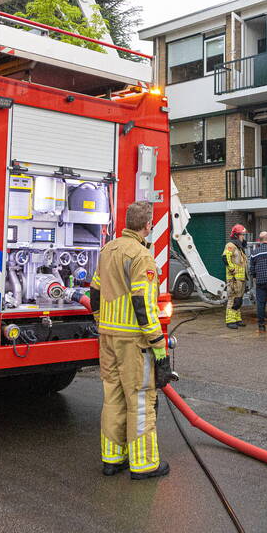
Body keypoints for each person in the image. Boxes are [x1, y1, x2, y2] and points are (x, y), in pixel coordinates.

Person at [89, 201, 170, 480]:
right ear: (148, 225)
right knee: (139, 397)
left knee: (112, 395)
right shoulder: (141, 256)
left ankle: (113, 458)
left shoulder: (108, 249)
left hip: (108, 336)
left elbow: (95, 291)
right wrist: (158, 342)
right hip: (133, 339)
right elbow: (143, 302)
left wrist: (100, 321)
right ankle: (144, 463)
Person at [222, 224, 248, 329]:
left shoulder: (239, 247)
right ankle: (230, 320)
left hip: (240, 278)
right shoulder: (231, 245)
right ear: (237, 235)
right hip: (234, 278)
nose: (243, 237)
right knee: (233, 298)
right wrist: (232, 269)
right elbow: (225, 257)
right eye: (242, 235)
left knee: (238, 299)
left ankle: (237, 319)